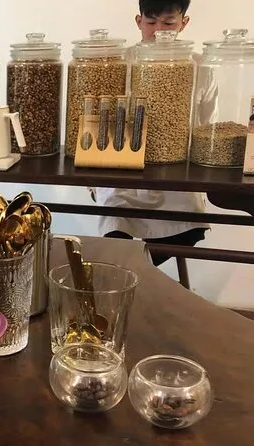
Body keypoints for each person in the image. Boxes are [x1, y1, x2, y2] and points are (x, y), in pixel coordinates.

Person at [91, 0, 209, 267]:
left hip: (175, 165)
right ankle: (131, 273)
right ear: (139, 21)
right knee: (116, 213)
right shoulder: (120, 61)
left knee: (188, 215)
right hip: (124, 164)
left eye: (168, 23)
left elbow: (204, 121)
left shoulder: (198, 64)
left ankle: (133, 273)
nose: (159, 31)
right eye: (151, 22)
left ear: (183, 23)